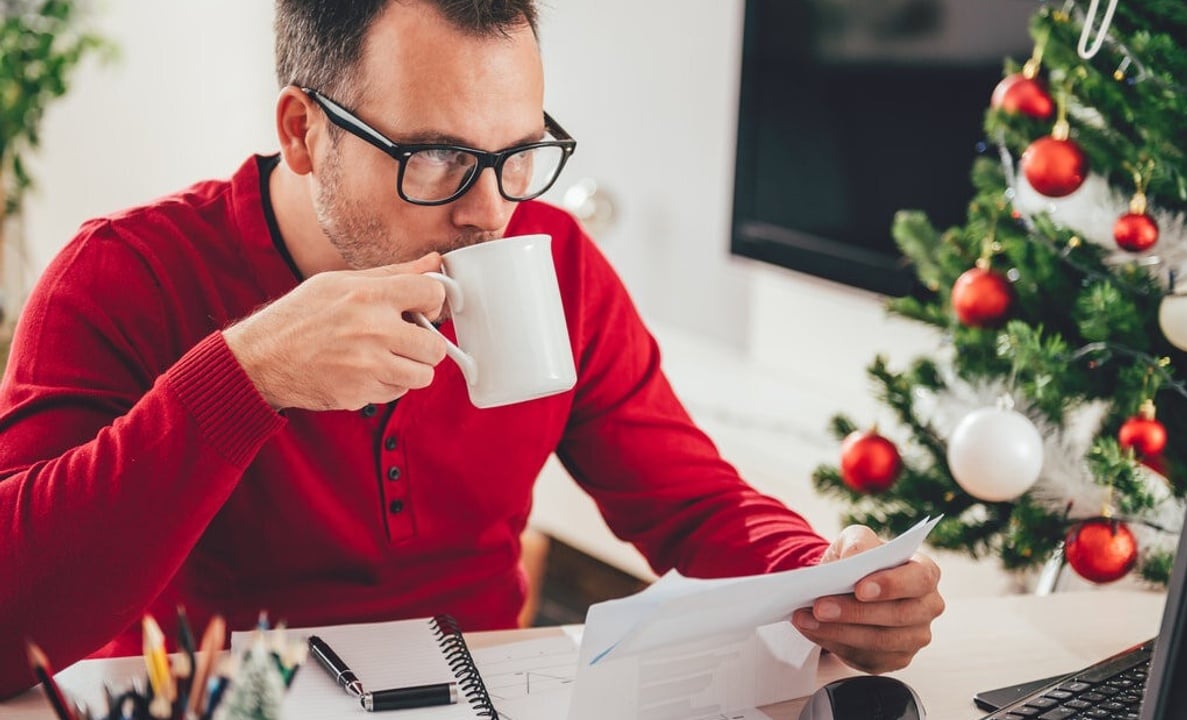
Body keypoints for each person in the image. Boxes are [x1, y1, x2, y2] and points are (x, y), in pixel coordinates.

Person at [0, 0, 944, 698]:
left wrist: (827, 578)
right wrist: (247, 376)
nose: (490, 210)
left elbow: (692, 502)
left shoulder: (555, 262)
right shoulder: (124, 277)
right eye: (438, 157)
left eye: (518, 155)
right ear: (302, 131)